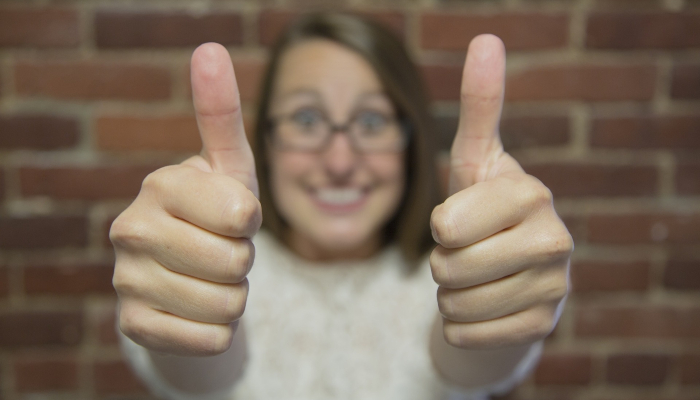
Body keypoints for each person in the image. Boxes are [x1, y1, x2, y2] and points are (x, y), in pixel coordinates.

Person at [110, 13, 573, 400]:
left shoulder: (447, 278)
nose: (339, 161)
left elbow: (473, 359)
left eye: (372, 121)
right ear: (266, 142)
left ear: (410, 140)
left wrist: (495, 286)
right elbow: (199, 372)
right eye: (306, 119)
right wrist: (187, 301)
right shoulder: (207, 267)